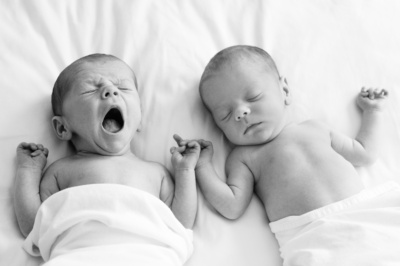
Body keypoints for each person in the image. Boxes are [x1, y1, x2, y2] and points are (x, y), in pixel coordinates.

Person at [174, 45, 399, 265]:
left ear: (285, 91)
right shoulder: (245, 157)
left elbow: (364, 153)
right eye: (226, 114)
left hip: (365, 213)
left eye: (253, 97)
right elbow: (232, 206)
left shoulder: (315, 129)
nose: (241, 112)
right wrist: (203, 166)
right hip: (313, 236)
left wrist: (373, 112)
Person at [14, 54, 199, 239]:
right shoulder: (60, 172)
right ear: (63, 127)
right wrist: (27, 170)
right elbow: (33, 227)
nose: (111, 91)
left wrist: (185, 171)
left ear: (139, 120)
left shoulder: (156, 173)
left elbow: (181, 224)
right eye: (90, 90)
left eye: (123, 87)